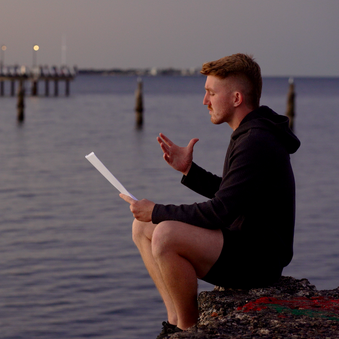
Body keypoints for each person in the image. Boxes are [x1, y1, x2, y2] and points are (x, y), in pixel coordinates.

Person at [119, 53, 300, 338]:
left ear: (237, 98)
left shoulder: (255, 140)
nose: (205, 101)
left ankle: (189, 331)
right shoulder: (251, 133)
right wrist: (189, 170)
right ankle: (174, 321)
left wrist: (157, 210)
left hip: (259, 259)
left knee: (165, 234)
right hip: (244, 244)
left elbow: (220, 211)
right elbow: (234, 194)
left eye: (211, 93)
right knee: (142, 228)